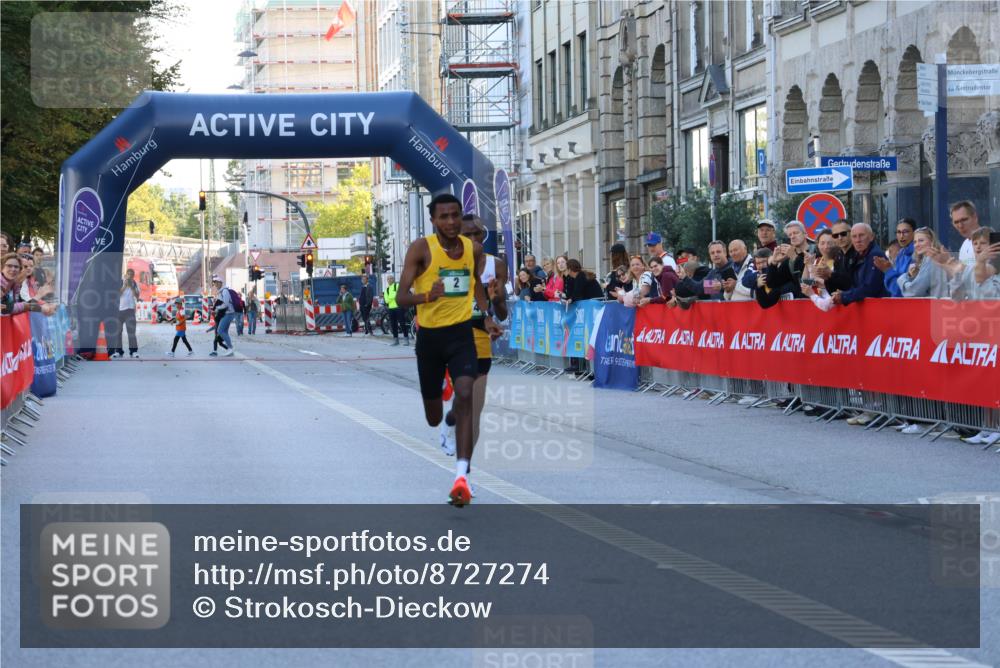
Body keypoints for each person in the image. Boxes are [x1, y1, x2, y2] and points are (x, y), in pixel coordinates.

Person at [395, 193, 500, 507]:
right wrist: (427, 296)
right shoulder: (421, 249)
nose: (451, 222)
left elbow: (476, 286)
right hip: (429, 339)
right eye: (444, 216)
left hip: (461, 335)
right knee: (433, 416)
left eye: (455, 215)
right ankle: (444, 414)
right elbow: (400, 298)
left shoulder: (472, 249)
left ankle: (461, 476)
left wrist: (487, 317)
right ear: (433, 220)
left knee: (466, 393)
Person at [439, 215, 509, 466]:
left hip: (480, 340)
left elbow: (502, 313)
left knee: (474, 409)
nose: (472, 239)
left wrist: (497, 301)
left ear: (483, 235)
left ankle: (463, 466)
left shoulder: (496, 265)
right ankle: (452, 424)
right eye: (465, 234)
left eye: (476, 233)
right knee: (463, 398)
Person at [831, 224, 888, 306]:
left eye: (861, 235)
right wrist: (844, 293)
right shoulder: (860, 255)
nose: (858, 240)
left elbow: (870, 288)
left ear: (871, 237)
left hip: (880, 307)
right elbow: (857, 285)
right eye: (854, 236)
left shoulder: (875, 255)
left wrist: (844, 296)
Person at [896, 227, 950, 298]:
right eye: (915, 242)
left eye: (921, 240)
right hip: (942, 302)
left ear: (932, 241)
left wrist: (902, 278)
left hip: (937, 303)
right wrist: (913, 276)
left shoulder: (931, 259)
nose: (917, 245)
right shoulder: (934, 257)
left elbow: (913, 291)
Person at [876, 218, 916, 297]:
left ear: (914, 233)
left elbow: (902, 290)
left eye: (905, 232)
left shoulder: (917, 255)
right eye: (899, 232)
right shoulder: (901, 253)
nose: (901, 236)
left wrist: (888, 270)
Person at [111, 268, 140, 358]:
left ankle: (133, 351)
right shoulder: (121, 282)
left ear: (133, 276)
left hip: (130, 310)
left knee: (131, 331)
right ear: (126, 275)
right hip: (119, 310)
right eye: (128, 274)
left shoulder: (135, 284)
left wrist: (131, 287)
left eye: (132, 275)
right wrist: (124, 286)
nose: (130, 276)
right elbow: (117, 295)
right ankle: (118, 351)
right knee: (118, 331)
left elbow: (137, 296)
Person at [209, 275, 235, 357]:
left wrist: (217, 308)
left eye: (217, 283)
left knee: (220, 330)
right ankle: (230, 349)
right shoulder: (221, 292)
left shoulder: (224, 291)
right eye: (215, 283)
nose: (216, 285)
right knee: (224, 331)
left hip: (229, 313)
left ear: (221, 283)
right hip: (227, 313)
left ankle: (230, 348)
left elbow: (226, 304)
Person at [950, 200, 981, 266]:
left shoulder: (993, 240)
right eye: (956, 222)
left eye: (964, 220)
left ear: (975, 217)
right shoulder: (964, 245)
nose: (960, 226)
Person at [383, 274, 409, 346]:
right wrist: (393, 297)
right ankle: (395, 340)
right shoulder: (387, 289)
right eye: (388, 279)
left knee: (402, 323)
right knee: (393, 325)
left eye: (391, 278)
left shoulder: (397, 286)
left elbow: (399, 295)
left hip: (399, 307)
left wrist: (391, 297)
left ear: (393, 279)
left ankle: (406, 339)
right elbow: (386, 300)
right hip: (391, 309)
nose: (389, 280)